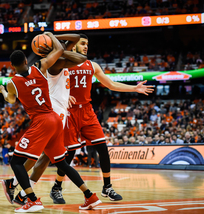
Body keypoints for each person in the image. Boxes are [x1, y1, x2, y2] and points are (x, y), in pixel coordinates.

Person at [0, 32, 100, 212]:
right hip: (55, 118)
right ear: (26, 61)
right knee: (62, 163)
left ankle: (32, 200)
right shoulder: (41, 67)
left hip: (41, 122)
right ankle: (90, 196)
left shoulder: (12, 83)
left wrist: (2, 92)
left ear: (12, 66)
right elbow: (60, 49)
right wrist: (51, 36)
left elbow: (11, 100)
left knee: (16, 163)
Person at [47, 34, 153, 203]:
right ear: (74, 47)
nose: (86, 46)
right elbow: (48, 84)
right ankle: (57, 188)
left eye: (87, 44)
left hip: (87, 111)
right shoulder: (63, 64)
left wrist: (135, 88)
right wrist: (62, 97)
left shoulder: (92, 65)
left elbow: (111, 84)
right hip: (69, 112)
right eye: (82, 44)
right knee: (69, 153)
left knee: (103, 148)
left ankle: (107, 187)